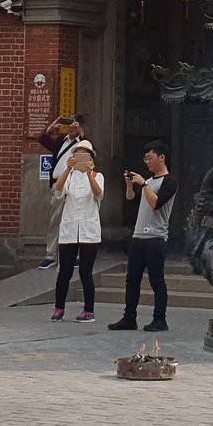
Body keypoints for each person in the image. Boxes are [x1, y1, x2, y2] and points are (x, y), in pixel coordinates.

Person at [110, 140, 175, 332]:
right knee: (132, 279)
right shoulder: (150, 182)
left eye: (150, 158)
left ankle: (160, 319)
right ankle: (129, 317)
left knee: (156, 280)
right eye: (145, 159)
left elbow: (156, 203)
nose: (147, 162)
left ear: (161, 157)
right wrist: (130, 185)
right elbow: (132, 200)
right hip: (138, 236)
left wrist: (144, 183)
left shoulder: (169, 181)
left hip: (156, 237)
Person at [51, 142, 102, 322]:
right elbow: (58, 190)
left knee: (85, 272)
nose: (81, 159)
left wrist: (89, 174)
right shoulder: (69, 176)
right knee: (64, 271)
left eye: (85, 155)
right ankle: (59, 307)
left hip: (89, 230)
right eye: (77, 155)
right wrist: (67, 170)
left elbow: (98, 194)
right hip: (69, 229)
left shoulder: (97, 175)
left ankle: (89, 310)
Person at [40, 114, 91, 270]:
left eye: (73, 123)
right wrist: (53, 126)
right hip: (58, 184)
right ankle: (51, 255)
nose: (70, 126)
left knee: (74, 219)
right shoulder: (62, 141)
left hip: (75, 185)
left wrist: (80, 132)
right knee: (55, 220)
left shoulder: (82, 143)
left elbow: (89, 154)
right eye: (69, 123)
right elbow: (43, 139)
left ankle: (73, 255)